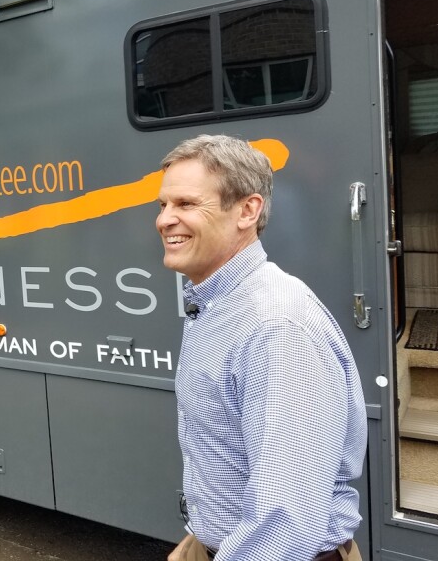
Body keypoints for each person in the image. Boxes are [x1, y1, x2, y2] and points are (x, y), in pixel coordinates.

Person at [156, 135, 367, 561]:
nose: (164, 220)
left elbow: (285, 521)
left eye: (185, 204)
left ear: (247, 211)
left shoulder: (276, 326)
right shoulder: (218, 303)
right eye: (163, 206)